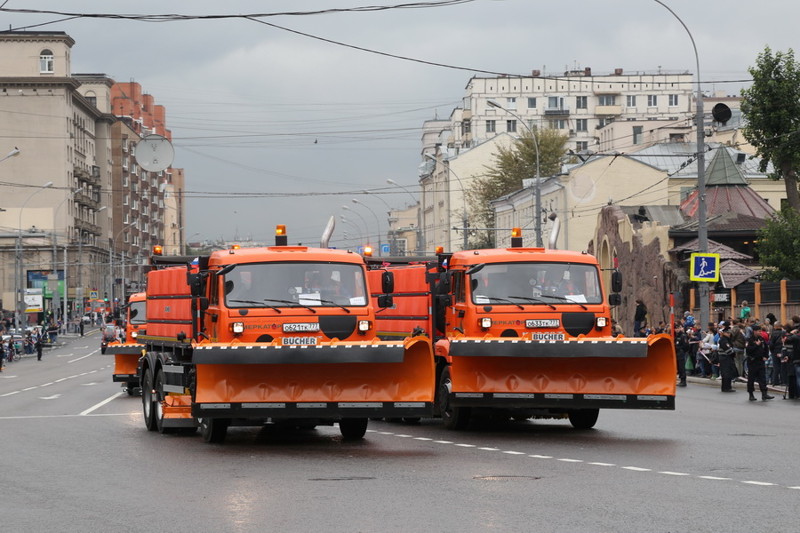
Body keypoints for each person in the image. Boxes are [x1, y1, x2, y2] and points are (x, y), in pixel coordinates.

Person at [745, 327, 773, 401]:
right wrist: (756, 345)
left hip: (760, 361)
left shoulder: (762, 339)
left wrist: (766, 356)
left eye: (760, 331)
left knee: (762, 378)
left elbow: (766, 348)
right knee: (751, 378)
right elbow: (748, 350)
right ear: (754, 331)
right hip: (752, 361)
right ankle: (751, 394)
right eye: (758, 331)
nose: (760, 332)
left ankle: (764, 393)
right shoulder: (750, 340)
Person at [717, 321, 737, 392]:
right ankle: (726, 387)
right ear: (724, 333)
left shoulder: (727, 339)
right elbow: (728, 349)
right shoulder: (723, 340)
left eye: (729, 333)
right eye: (727, 333)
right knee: (726, 373)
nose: (729, 334)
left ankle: (728, 387)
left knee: (728, 373)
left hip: (727, 358)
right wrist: (733, 354)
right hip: (724, 358)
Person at [674, 323, 689, 387]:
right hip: (677, 353)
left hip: (681, 353)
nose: (677, 330)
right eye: (675, 328)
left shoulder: (683, 336)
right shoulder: (676, 336)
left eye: (678, 328)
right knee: (679, 367)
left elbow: (686, 346)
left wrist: (681, 350)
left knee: (682, 367)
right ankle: (681, 379)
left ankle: (683, 381)